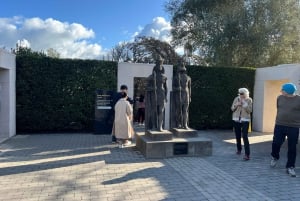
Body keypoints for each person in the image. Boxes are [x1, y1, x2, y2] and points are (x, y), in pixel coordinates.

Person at [270, 83, 300, 177]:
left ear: (288, 91)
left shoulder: (299, 99)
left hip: (293, 126)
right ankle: (275, 156)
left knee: (292, 147)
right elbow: (279, 108)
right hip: (279, 124)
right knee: (276, 142)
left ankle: (290, 167)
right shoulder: (279, 98)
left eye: (282, 89)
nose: (281, 91)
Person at [145, 56, 168, 131]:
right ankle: (154, 126)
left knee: (161, 110)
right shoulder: (151, 77)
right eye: (158, 63)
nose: (160, 66)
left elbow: (166, 87)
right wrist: (152, 88)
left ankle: (160, 126)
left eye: (161, 63)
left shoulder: (164, 77)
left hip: (162, 94)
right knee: (154, 111)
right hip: (154, 95)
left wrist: (166, 97)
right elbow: (146, 88)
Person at [231, 88, 253, 160]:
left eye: (242, 93)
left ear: (245, 94)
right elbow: (232, 109)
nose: (240, 95)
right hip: (236, 119)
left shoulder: (249, 100)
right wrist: (237, 104)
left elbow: (249, 111)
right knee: (237, 136)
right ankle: (239, 149)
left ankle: (247, 154)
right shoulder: (236, 99)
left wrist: (244, 104)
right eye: (239, 93)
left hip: (245, 120)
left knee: (245, 136)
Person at [172, 62, 191, 129]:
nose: (182, 71)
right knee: (178, 110)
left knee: (185, 110)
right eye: (181, 70)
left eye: (183, 69)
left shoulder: (188, 78)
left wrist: (190, 96)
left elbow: (189, 88)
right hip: (179, 95)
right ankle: (178, 123)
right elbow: (173, 88)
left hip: (186, 95)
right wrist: (177, 88)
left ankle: (185, 124)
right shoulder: (175, 78)